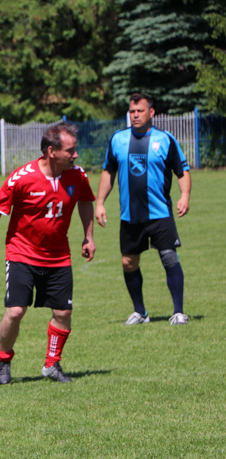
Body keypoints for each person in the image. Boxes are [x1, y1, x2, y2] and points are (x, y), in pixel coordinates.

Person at [0, 122, 95, 385]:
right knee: (16, 311)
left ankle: (52, 365)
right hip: (22, 254)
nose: (75, 155)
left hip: (58, 256)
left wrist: (88, 236)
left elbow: (85, 200)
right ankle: (3, 360)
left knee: (63, 313)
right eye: (70, 150)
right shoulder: (23, 177)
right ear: (51, 151)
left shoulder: (77, 175)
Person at [95, 92, 191, 326]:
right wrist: (99, 202)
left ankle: (178, 312)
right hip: (130, 215)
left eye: (139, 111)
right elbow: (108, 172)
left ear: (151, 112)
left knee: (169, 258)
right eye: (132, 111)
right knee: (128, 263)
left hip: (160, 213)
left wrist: (185, 196)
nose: (135, 115)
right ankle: (140, 313)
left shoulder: (166, 139)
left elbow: (183, 171)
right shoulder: (118, 139)